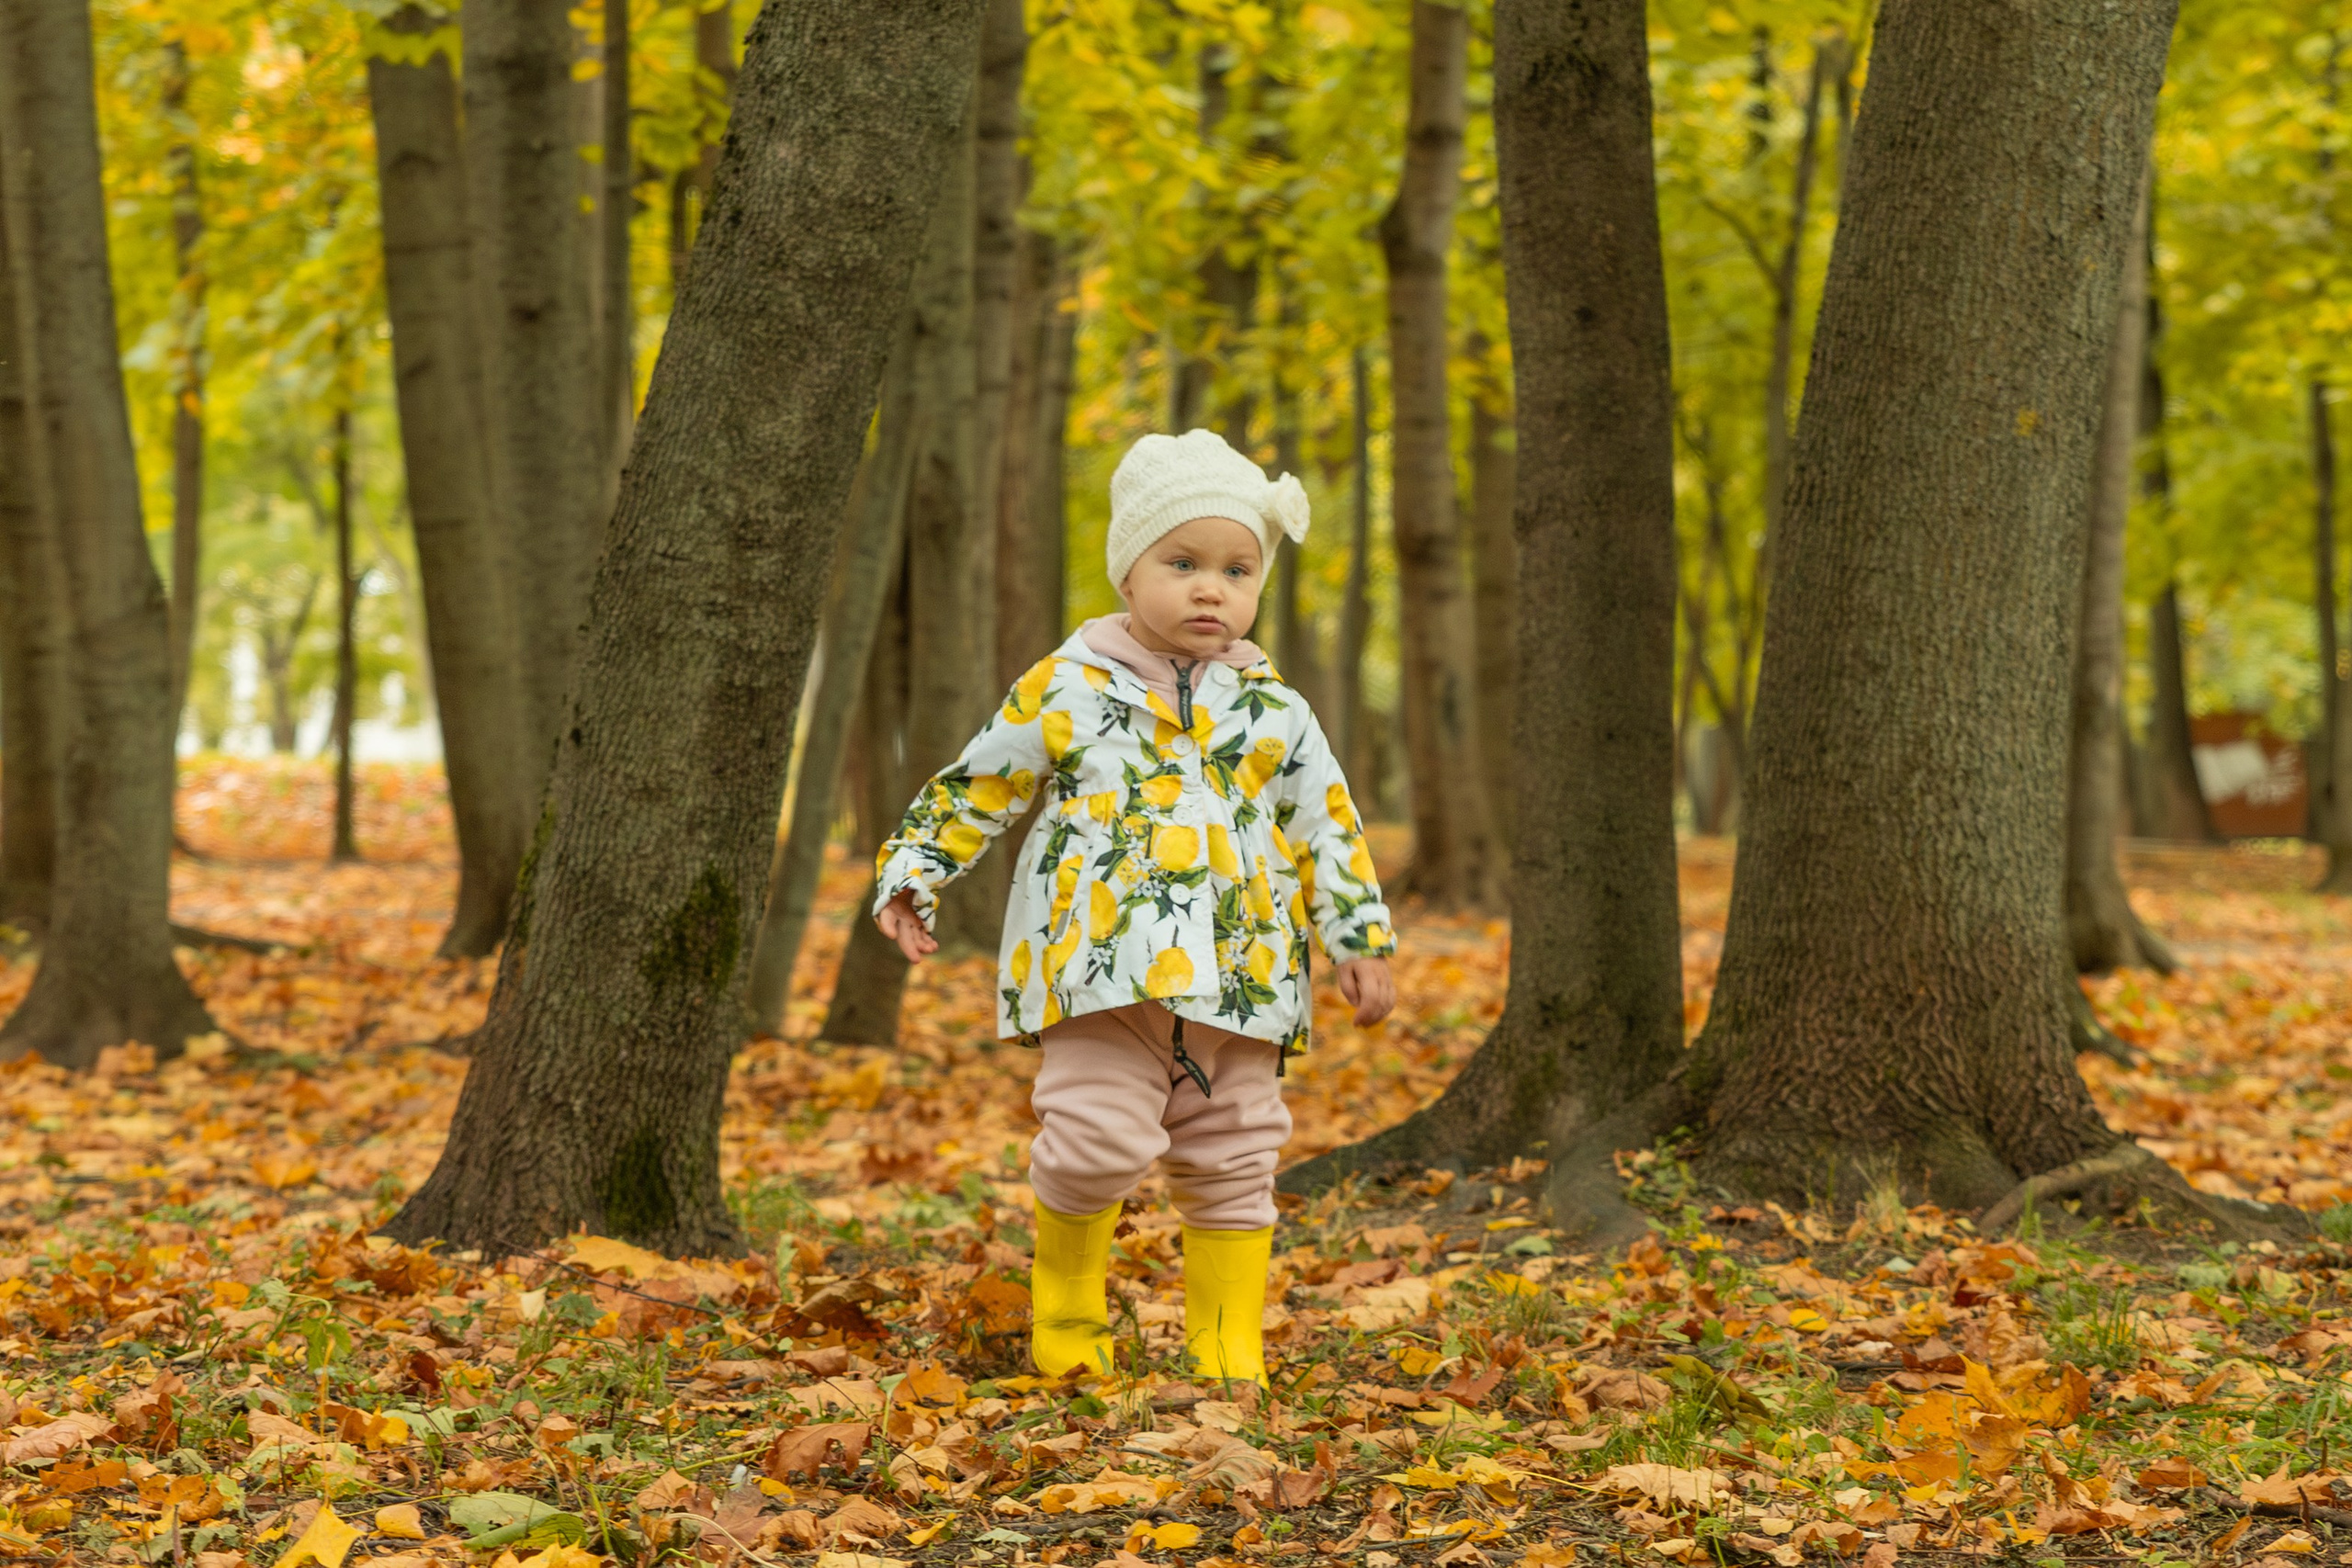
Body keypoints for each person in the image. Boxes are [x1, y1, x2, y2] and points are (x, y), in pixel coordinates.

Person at [869, 427, 1397, 1386]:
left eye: (1236, 569)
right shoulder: (1068, 685)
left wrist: (1357, 937)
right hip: (1101, 974)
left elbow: (1327, 823)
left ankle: (1227, 1349)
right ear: (1127, 573)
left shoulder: (1274, 709)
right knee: (1094, 1141)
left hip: (1243, 980)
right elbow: (981, 783)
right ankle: (1069, 1321)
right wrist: (914, 873)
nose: (1210, 589)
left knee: (1238, 1155)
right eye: (1181, 563)